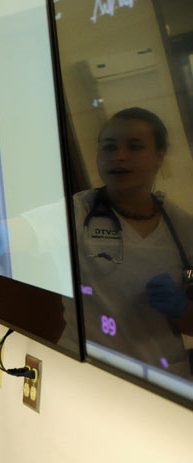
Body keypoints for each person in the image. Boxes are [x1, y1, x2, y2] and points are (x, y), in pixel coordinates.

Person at [73, 107, 193, 376]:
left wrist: (182, 308)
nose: (119, 156)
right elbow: (20, 231)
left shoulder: (183, 228)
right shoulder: (79, 212)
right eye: (109, 147)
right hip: (86, 371)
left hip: (166, 377)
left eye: (135, 147)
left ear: (159, 157)